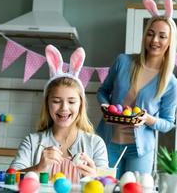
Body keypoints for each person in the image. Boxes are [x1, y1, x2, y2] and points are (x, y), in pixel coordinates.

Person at [96, 0, 177, 178]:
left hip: (140, 151)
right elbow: (103, 91)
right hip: (107, 143)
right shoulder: (123, 61)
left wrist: (148, 119)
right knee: (103, 188)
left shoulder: (171, 83)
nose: (154, 40)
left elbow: (168, 123)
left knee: (134, 190)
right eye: (150, 33)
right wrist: (104, 107)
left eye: (162, 36)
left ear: (170, 41)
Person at [10, 44, 108, 182]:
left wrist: (96, 178)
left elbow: (107, 185)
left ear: (81, 105)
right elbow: (10, 178)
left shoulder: (95, 144)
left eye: (72, 102)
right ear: (47, 104)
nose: (64, 108)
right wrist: (38, 168)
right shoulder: (32, 142)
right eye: (56, 101)